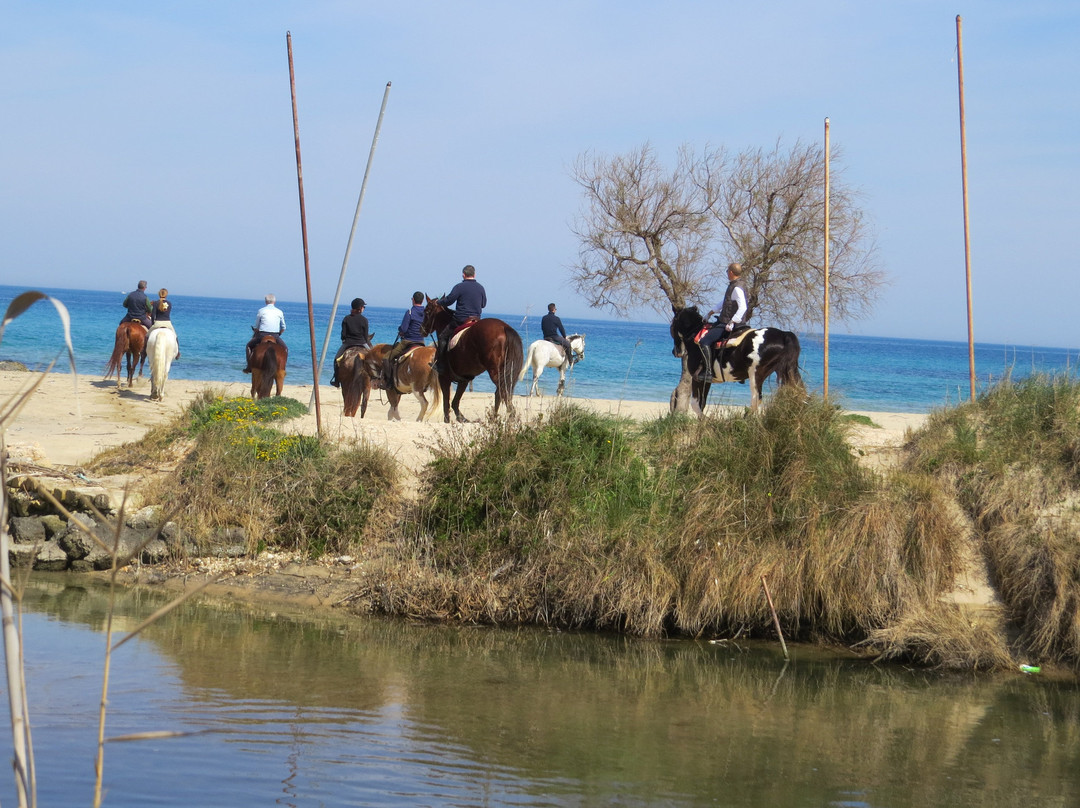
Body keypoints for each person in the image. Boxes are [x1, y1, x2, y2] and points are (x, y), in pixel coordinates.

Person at [696, 262, 749, 380]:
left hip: (727, 323)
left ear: (731, 272)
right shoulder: (738, 285)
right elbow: (725, 302)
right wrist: (711, 312)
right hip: (733, 321)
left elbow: (743, 307)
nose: (727, 273)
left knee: (704, 341)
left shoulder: (736, 288)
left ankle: (708, 372)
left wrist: (732, 321)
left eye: (727, 271)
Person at [434, 264, 486, 372]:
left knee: (443, 336)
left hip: (461, 319)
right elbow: (483, 304)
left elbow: (449, 300)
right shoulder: (481, 288)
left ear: (463, 275)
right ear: (474, 274)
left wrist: (438, 302)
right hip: (476, 320)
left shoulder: (459, 287)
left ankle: (441, 364)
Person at [383, 291, 427, 388]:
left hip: (408, 341)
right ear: (423, 301)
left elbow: (404, 329)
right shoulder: (425, 313)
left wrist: (400, 330)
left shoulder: (410, 312)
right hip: (421, 341)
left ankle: (390, 382)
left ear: (413, 300)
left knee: (386, 358)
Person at [329, 298, 374, 388]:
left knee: (336, 360)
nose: (363, 308)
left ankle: (336, 380)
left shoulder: (346, 319)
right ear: (360, 308)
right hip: (362, 343)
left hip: (348, 344)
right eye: (363, 307)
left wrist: (345, 340)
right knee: (373, 358)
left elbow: (343, 335)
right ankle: (375, 378)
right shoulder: (364, 320)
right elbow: (365, 337)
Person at [243, 294, 286, 373]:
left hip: (262, 335)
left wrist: (256, 330)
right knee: (285, 349)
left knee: (248, 346)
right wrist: (279, 334)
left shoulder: (261, 310)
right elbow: (283, 327)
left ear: (266, 301)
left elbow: (256, 326)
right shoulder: (279, 312)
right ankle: (282, 369)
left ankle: (249, 366)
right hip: (275, 335)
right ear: (274, 301)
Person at [148, 287, 180, 359]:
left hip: (158, 323)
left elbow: (153, 315)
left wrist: (153, 323)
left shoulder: (156, 303)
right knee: (175, 336)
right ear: (166, 294)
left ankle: (144, 350)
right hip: (167, 323)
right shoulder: (169, 303)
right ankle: (177, 353)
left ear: (159, 294)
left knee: (146, 336)